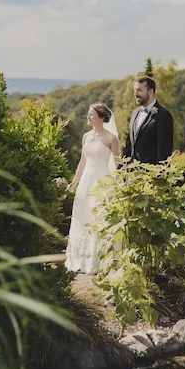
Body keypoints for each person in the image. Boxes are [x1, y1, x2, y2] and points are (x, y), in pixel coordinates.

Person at [64, 103, 120, 275]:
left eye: (91, 115)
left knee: (98, 218)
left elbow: (118, 166)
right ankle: (81, 258)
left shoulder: (111, 139)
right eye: (88, 114)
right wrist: (73, 184)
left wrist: (115, 187)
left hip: (102, 181)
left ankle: (98, 261)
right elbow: (82, 163)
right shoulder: (86, 137)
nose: (88, 117)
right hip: (86, 181)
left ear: (101, 117)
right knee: (82, 216)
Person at [122, 76, 174, 164]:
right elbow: (129, 147)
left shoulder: (163, 115)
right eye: (134, 90)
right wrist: (121, 172)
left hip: (149, 174)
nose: (135, 93)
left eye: (139, 90)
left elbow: (164, 151)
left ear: (150, 92)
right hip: (131, 174)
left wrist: (158, 175)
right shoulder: (135, 113)